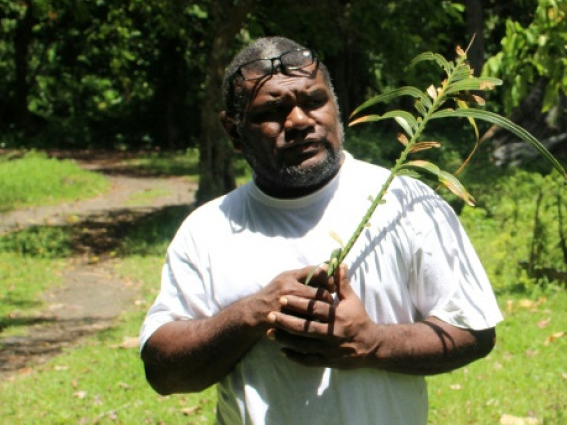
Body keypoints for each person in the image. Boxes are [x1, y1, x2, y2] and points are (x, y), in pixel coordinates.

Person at [139, 36, 503, 424]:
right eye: (273, 111)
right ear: (234, 130)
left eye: (313, 101)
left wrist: (371, 342)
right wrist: (253, 313)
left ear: (335, 106)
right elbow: (163, 371)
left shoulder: (406, 202)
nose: (298, 121)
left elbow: (474, 331)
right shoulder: (208, 229)